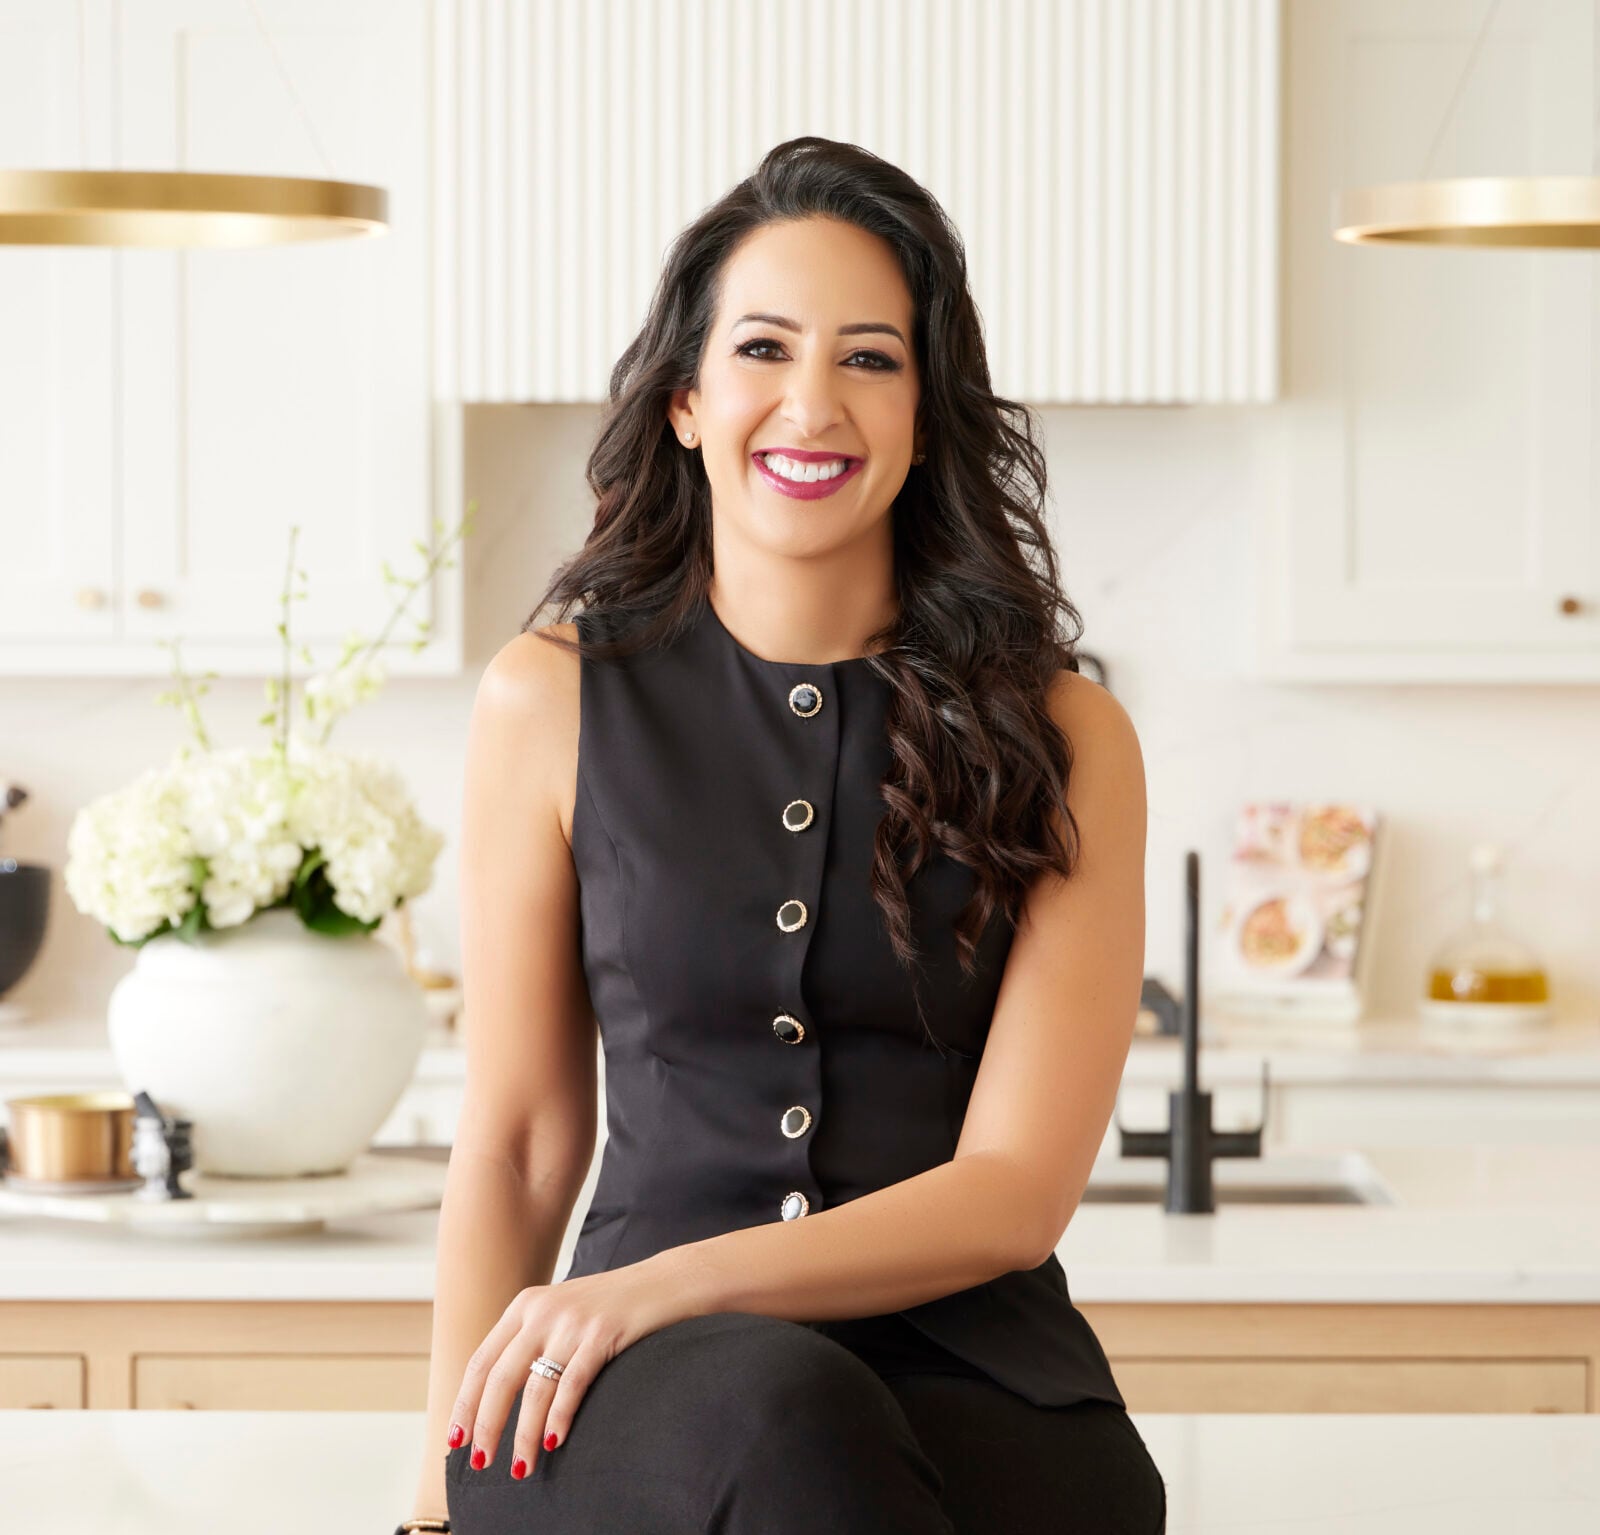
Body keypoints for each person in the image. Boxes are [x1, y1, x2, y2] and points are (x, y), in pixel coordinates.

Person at [397, 135, 1166, 1535]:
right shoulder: (551, 701)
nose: (813, 403)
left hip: (980, 1376)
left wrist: (665, 1281)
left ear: (926, 415)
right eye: (763, 349)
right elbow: (518, 1139)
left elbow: (1015, 1193)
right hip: (635, 1394)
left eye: (870, 358)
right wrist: (439, 1491)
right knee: (778, 1416)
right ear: (687, 401)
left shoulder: (1069, 736)